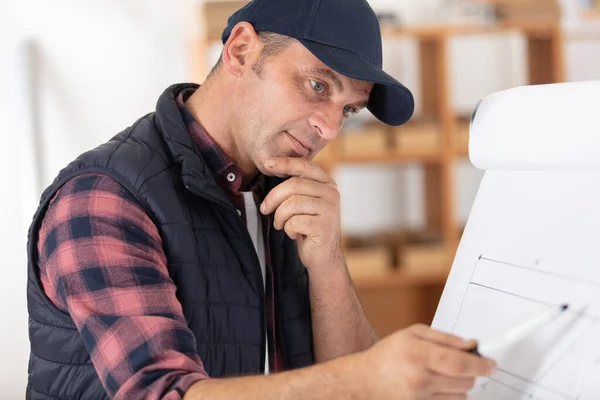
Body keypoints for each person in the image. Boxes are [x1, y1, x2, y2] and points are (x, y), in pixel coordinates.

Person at [25, 0, 496, 398]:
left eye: (348, 110)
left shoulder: (284, 189)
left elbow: (350, 384)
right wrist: (369, 375)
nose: (329, 129)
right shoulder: (104, 198)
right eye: (317, 86)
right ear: (241, 50)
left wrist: (328, 262)